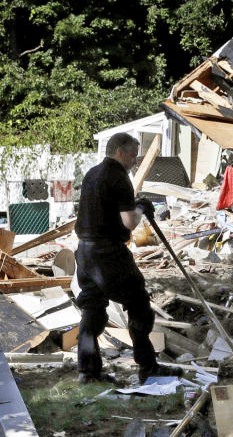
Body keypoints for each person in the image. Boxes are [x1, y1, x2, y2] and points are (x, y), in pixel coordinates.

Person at [74, 132, 178, 384]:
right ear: (120, 152)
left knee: (93, 311)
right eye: (132, 154)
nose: (134, 159)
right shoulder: (118, 176)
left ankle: (88, 372)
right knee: (139, 304)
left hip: (85, 253)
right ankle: (147, 366)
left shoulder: (92, 174)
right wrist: (140, 207)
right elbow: (130, 222)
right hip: (108, 253)